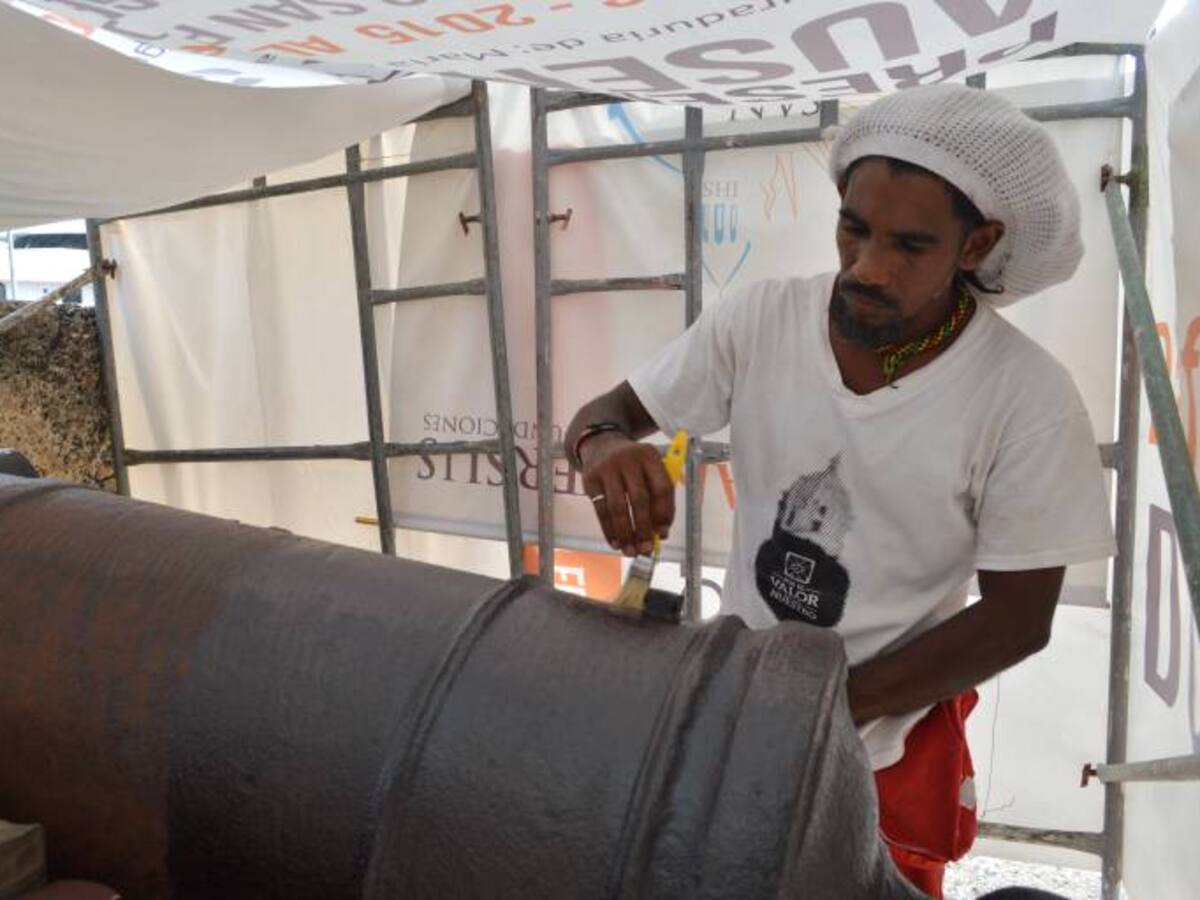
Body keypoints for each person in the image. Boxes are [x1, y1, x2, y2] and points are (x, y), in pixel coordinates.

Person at [564, 83, 1115, 898]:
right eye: (853, 230)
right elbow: (608, 414)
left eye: (909, 246)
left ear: (977, 244)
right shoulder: (760, 320)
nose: (867, 268)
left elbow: (1017, 618)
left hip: (889, 747)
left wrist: (825, 713)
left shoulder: (1025, 397)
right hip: (740, 714)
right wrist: (602, 446)